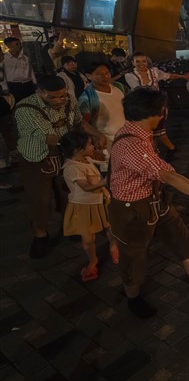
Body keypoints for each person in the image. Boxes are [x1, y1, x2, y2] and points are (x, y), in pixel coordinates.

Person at [108, 87, 189, 318]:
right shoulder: (132, 143)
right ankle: (133, 298)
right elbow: (168, 176)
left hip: (156, 200)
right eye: (163, 109)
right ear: (158, 113)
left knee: (184, 242)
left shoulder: (140, 131)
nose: (166, 112)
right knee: (133, 257)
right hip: (132, 210)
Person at [14, 75, 106, 258]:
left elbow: (79, 122)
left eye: (62, 96)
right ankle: (40, 234)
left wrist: (97, 135)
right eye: (53, 97)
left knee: (68, 192)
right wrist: (84, 147)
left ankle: (70, 226)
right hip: (38, 156)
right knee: (40, 199)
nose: (59, 101)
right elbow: (49, 137)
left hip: (67, 152)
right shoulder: (25, 108)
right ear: (40, 92)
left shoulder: (69, 100)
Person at [59, 130, 116, 281]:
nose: (92, 147)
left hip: (101, 200)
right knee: (88, 239)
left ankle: (113, 246)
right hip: (83, 206)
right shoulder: (72, 167)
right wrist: (104, 181)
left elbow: (104, 160)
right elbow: (86, 187)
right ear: (78, 150)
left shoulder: (85, 159)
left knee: (110, 225)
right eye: (90, 144)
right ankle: (93, 260)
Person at [124, 52, 189, 157]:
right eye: (138, 61)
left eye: (144, 61)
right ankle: (160, 152)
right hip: (143, 108)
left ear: (147, 62)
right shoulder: (130, 76)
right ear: (133, 63)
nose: (141, 64)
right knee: (153, 132)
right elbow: (138, 89)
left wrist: (182, 76)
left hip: (158, 107)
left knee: (156, 131)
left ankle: (158, 152)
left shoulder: (154, 71)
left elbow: (168, 76)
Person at [78, 61, 127, 153]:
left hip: (125, 136)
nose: (105, 76)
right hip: (107, 142)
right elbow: (83, 123)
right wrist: (98, 136)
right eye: (99, 74)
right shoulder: (87, 97)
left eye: (107, 73)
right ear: (89, 76)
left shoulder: (118, 87)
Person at [4, 37, 37, 102]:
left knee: (32, 102)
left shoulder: (25, 57)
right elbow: (3, 75)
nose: (20, 46)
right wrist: (5, 88)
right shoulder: (4, 59)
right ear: (9, 45)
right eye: (17, 44)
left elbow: (31, 71)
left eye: (20, 44)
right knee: (19, 104)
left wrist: (35, 83)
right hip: (14, 86)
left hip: (28, 84)